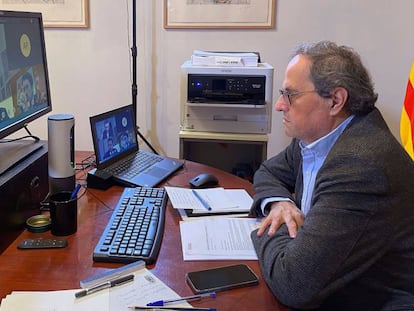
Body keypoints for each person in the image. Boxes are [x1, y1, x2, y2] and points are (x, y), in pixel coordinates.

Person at [250, 41, 414, 311]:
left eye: (290, 95)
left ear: (335, 101)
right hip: (331, 284)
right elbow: (268, 171)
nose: (279, 105)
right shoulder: (317, 138)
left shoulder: (360, 165)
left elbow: (294, 284)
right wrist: (281, 204)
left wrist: (265, 227)